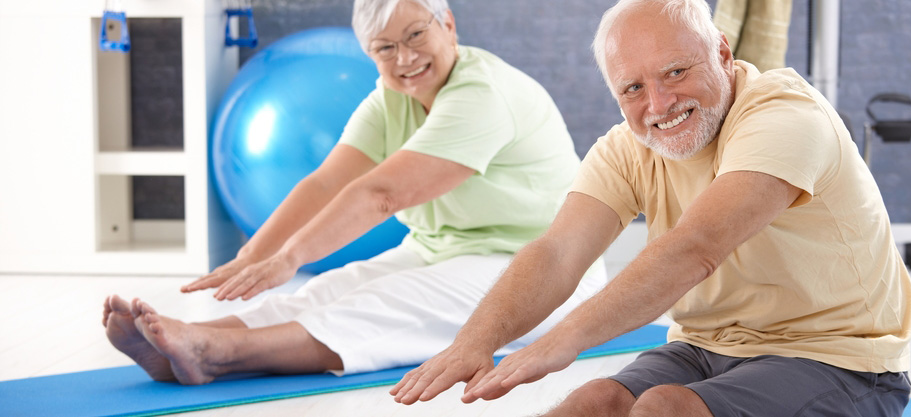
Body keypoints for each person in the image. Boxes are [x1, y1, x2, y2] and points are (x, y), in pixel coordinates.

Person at [390, 0, 911, 415]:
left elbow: (696, 248)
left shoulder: (784, 117)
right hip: (706, 347)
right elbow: (557, 253)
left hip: (839, 361)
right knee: (593, 402)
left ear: (723, 54)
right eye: (634, 88)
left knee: (665, 408)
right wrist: (474, 343)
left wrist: (564, 339)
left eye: (676, 72)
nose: (658, 105)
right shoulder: (626, 148)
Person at [101, 0, 607, 385]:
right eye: (385, 49)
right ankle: (183, 348)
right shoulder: (389, 100)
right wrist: (254, 253)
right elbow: (326, 182)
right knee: (328, 288)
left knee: (393, 300)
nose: (404, 58)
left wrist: (289, 258)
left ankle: (218, 355)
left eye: (415, 35)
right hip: (447, 251)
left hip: (549, 270)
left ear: (447, 24)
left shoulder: (483, 94)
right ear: (370, 55)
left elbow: (382, 195)